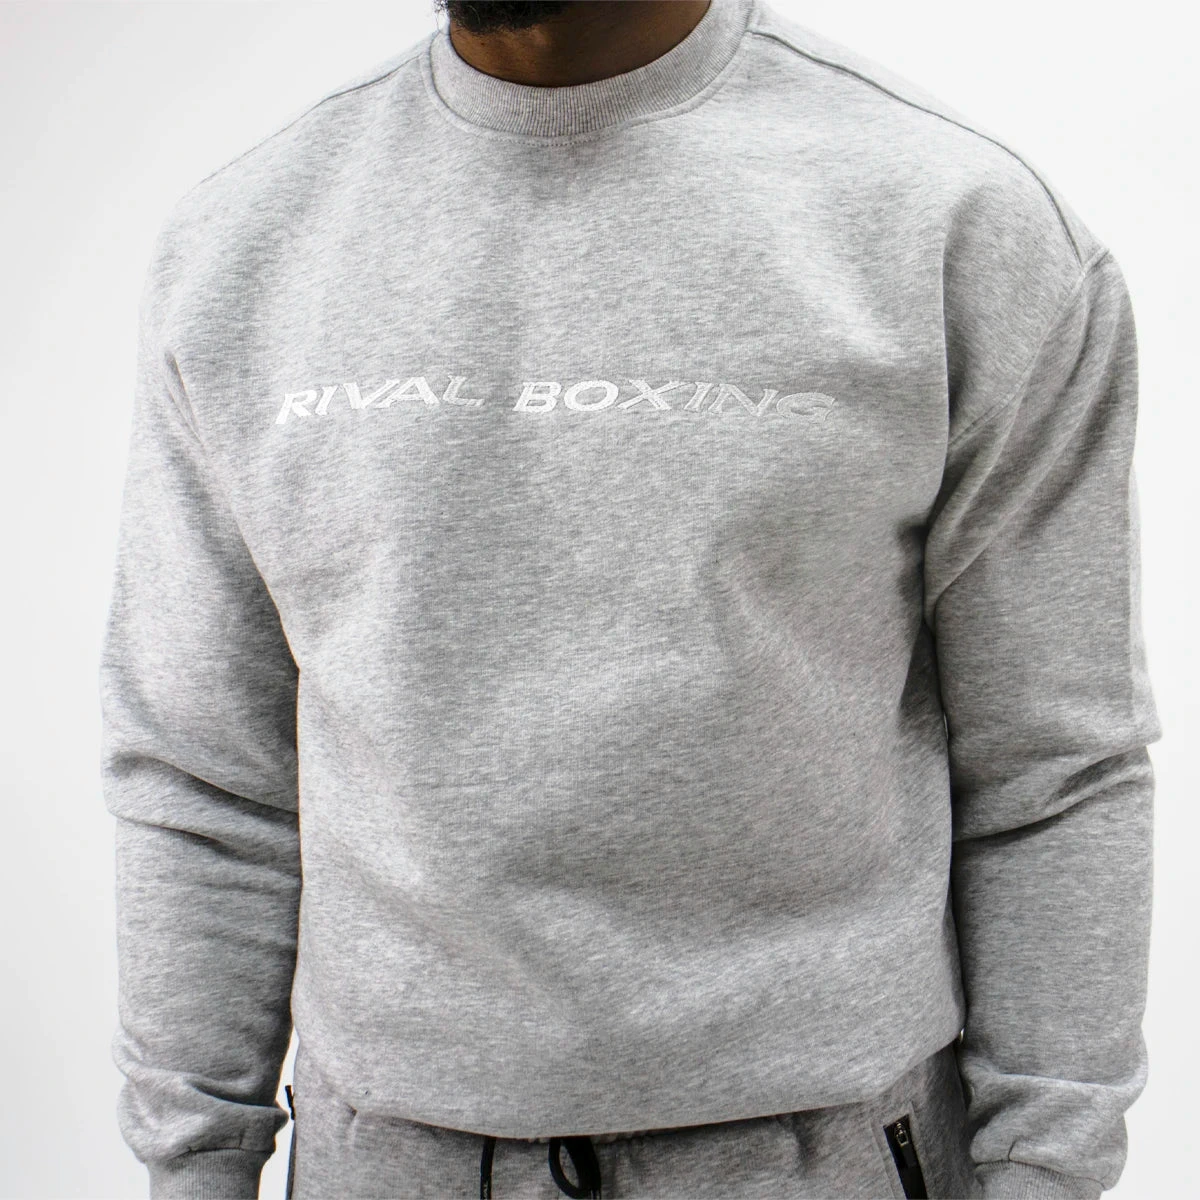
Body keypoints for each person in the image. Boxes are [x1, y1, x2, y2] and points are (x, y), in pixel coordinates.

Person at [97, 1, 1162, 1196]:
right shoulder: (244, 242)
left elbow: (1054, 766)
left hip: (818, 1157)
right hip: (386, 1157)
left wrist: (1044, 1170)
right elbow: (203, 766)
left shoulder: (953, 221)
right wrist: (195, 1165)